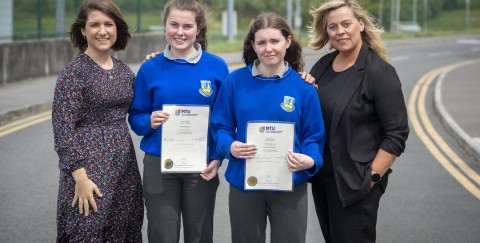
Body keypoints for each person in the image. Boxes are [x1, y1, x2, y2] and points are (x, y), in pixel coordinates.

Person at [211, 12, 326, 243]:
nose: (268, 48)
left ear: (288, 41)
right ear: (253, 45)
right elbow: (220, 127)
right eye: (261, 42)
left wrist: (311, 160)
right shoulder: (234, 82)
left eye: (275, 41)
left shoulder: (303, 88)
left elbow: (313, 135)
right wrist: (230, 146)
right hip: (245, 183)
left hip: (290, 182)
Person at [307, 1, 410, 242]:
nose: (340, 31)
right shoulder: (323, 66)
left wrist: (373, 178)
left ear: (360, 25)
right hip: (323, 180)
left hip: (356, 183)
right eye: (333, 27)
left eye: (346, 24)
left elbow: (397, 133)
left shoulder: (379, 72)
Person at [128, 0, 229, 242]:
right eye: (174, 24)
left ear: (198, 29)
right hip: (160, 165)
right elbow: (136, 116)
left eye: (187, 26)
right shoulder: (150, 68)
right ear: (165, 25)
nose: (180, 32)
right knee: (162, 234)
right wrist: (149, 121)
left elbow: (224, 119)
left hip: (201, 166)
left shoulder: (216, 66)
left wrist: (217, 157)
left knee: (200, 235)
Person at [52, 0, 143, 241]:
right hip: (88, 168)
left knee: (123, 229)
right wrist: (80, 178)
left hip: (123, 165)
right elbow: (63, 132)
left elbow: (141, 109)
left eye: (108, 24)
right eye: (94, 24)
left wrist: (157, 65)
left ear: (117, 29)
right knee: (86, 229)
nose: (102, 30)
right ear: (83, 30)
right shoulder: (73, 73)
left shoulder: (125, 72)